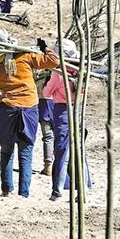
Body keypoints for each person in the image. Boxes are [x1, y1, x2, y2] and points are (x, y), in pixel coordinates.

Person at [0, 28, 60, 197]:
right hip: (28, 108)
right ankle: (24, 193)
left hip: (8, 109)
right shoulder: (25, 56)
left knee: (6, 151)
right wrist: (44, 47)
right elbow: (54, 61)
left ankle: (7, 190)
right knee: (25, 153)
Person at [43, 39, 92, 200]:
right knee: (79, 151)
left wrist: (46, 81)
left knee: (62, 151)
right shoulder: (81, 71)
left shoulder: (59, 74)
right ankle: (83, 189)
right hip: (79, 110)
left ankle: (57, 190)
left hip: (63, 111)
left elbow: (46, 93)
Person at [35, 71, 54, 176]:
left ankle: (48, 166)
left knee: (48, 137)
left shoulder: (40, 76)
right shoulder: (60, 75)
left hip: (44, 106)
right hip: (59, 105)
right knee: (59, 137)